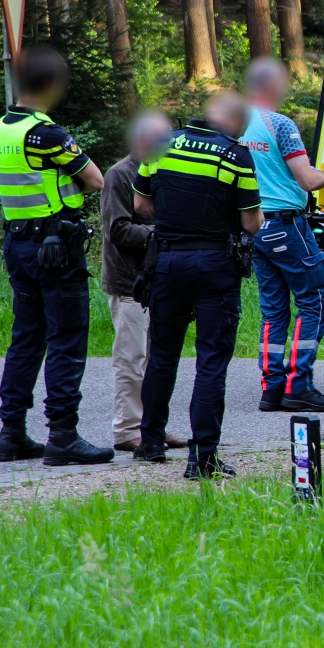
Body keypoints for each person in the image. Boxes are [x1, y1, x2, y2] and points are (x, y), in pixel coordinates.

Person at [0, 45, 113, 467]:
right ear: (53, 85)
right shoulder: (47, 133)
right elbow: (95, 179)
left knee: (26, 337)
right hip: (56, 246)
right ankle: (63, 435)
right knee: (66, 338)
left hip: (18, 243)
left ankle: (12, 432)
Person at [132, 92, 263, 478]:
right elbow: (252, 223)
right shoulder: (235, 155)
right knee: (211, 361)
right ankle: (203, 458)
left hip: (167, 261)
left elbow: (140, 206)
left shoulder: (162, 144)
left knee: (162, 354)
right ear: (233, 121)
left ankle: (150, 442)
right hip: (214, 265)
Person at [241, 56, 324, 413]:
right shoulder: (280, 125)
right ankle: (298, 385)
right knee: (312, 303)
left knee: (273, 311)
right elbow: (308, 180)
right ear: (272, 85)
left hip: (255, 226)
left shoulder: (235, 124)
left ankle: (271, 388)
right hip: (287, 226)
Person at [99, 109, 187, 454]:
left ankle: (153, 427)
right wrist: (162, 235)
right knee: (131, 359)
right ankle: (127, 430)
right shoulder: (120, 174)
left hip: (158, 281)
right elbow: (117, 229)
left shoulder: (165, 171)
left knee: (157, 360)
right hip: (128, 282)